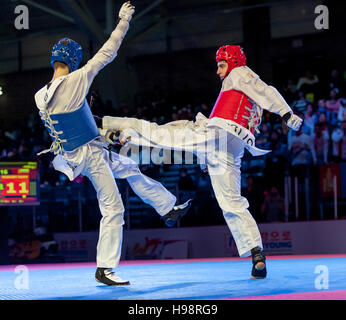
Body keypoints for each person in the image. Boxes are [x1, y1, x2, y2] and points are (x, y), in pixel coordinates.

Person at [100, 45, 303, 279]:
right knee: (232, 202)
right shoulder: (237, 86)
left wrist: (286, 113)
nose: (218, 71)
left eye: (221, 64)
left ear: (234, 61)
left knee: (157, 133)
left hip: (218, 134)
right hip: (230, 148)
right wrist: (206, 157)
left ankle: (106, 124)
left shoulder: (240, 73)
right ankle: (257, 254)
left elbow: (266, 90)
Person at [34, 2, 191, 286]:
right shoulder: (76, 80)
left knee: (129, 165)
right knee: (113, 208)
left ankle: (167, 208)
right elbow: (110, 50)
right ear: (73, 60)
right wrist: (123, 20)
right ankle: (105, 268)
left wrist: (109, 137)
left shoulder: (39, 96)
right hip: (89, 156)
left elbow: (76, 123)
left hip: (75, 152)